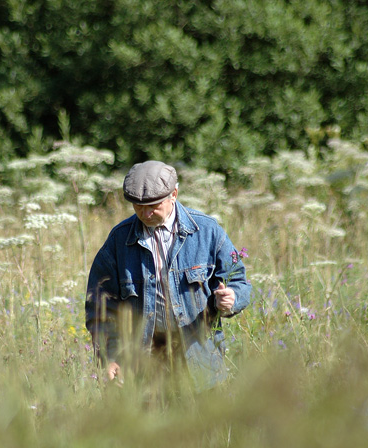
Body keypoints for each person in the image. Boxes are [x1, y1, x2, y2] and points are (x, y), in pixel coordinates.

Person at [85, 160, 251, 391]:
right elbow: (100, 307)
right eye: (138, 206)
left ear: (174, 194)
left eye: (153, 205)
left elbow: (238, 281)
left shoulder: (208, 231)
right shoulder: (118, 241)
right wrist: (110, 356)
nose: (146, 213)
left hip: (201, 360)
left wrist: (232, 298)